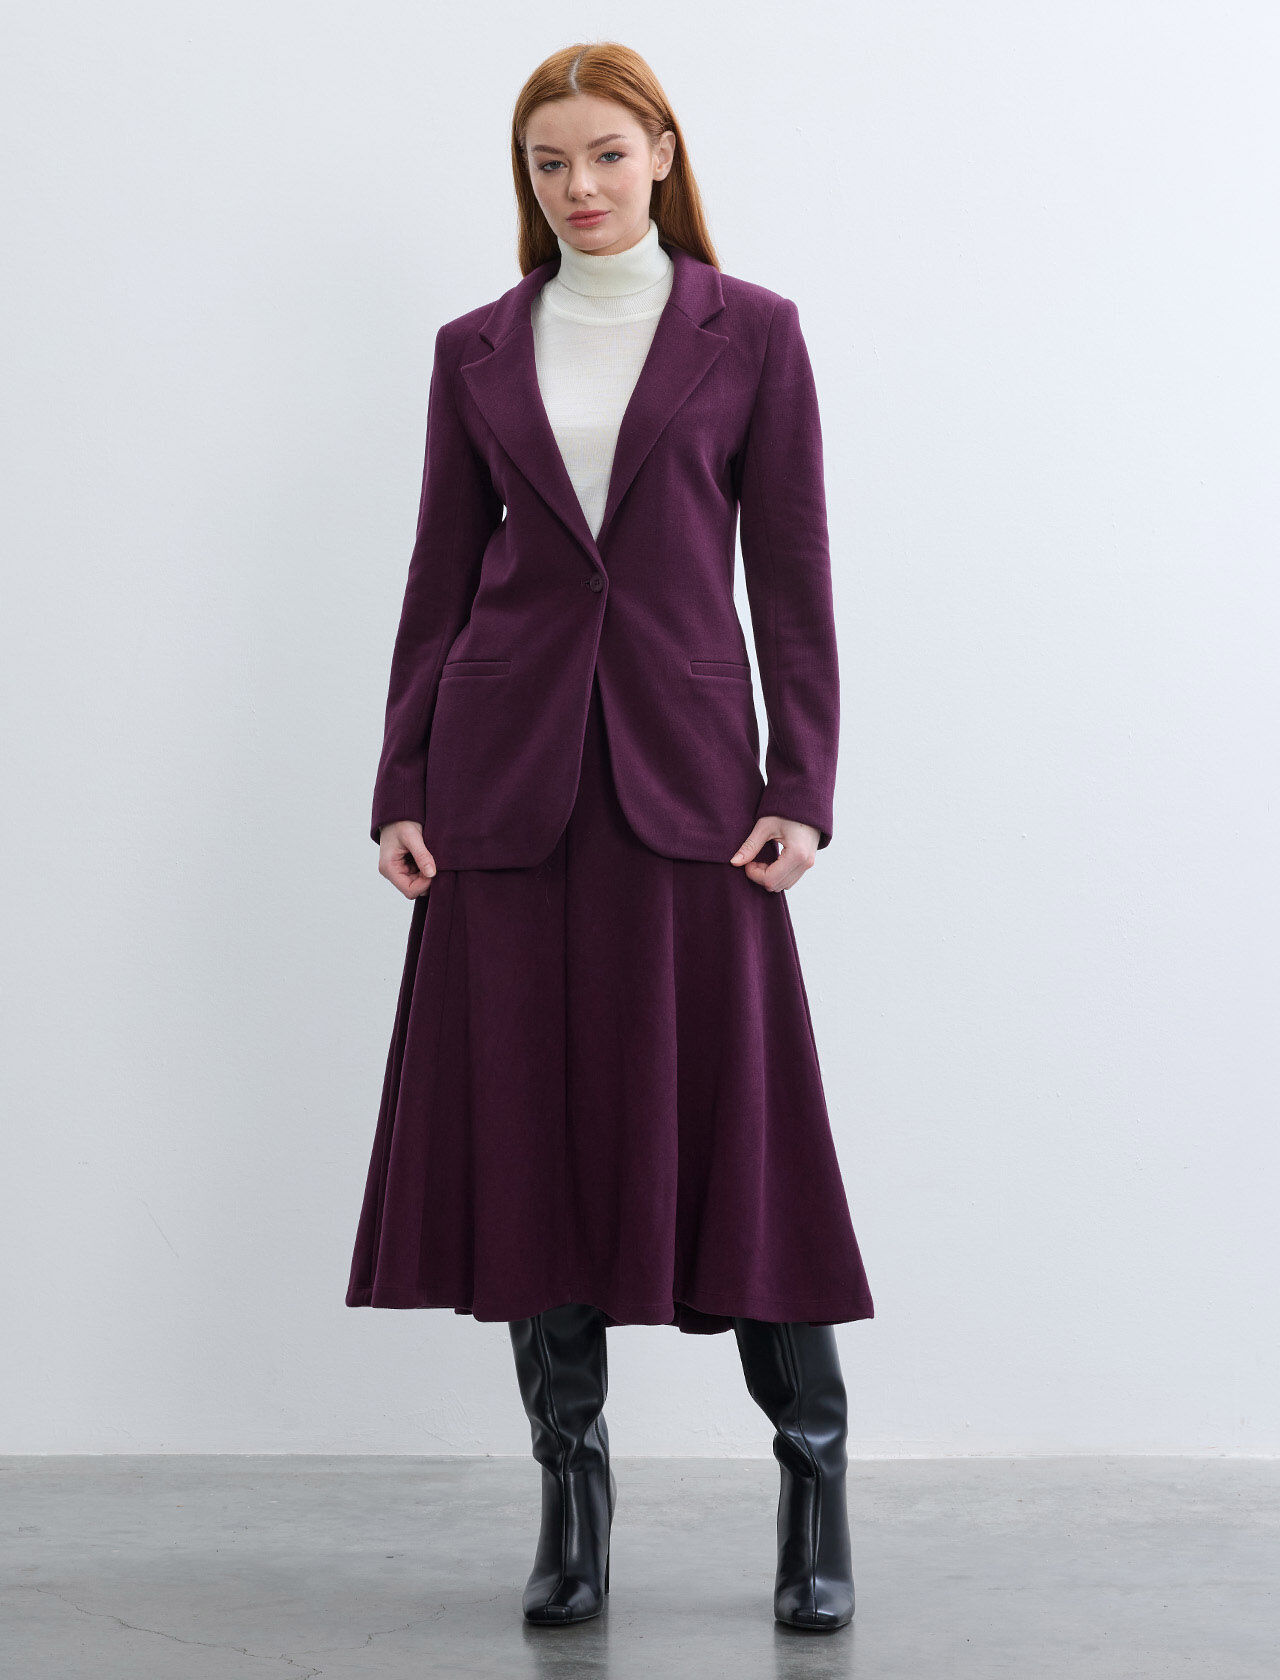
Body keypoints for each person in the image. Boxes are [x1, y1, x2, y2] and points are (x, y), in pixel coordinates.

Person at [345, 40, 875, 1633]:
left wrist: (802, 784)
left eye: (603, 154)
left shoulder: (751, 332)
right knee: (534, 1139)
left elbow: (793, 576)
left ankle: (814, 1487)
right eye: (547, 163)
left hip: (691, 788)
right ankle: (570, 1495)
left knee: (744, 1139)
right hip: (503, 784)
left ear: (661, 153)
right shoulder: (476, 347)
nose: (578, 185)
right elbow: (439, 576)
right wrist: (401, 781)